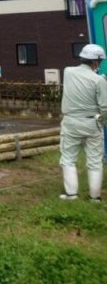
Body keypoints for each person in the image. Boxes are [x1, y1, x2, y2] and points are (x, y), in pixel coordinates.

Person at [59, 43, 107, 201]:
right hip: (92, 123)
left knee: (68, 158)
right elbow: (105, 108)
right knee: (94, 161)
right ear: (96, 62)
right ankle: (95, 198)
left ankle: (71, 194)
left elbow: (81, 80)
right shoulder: (99, 81)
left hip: (71, 122)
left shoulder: (67, 71)